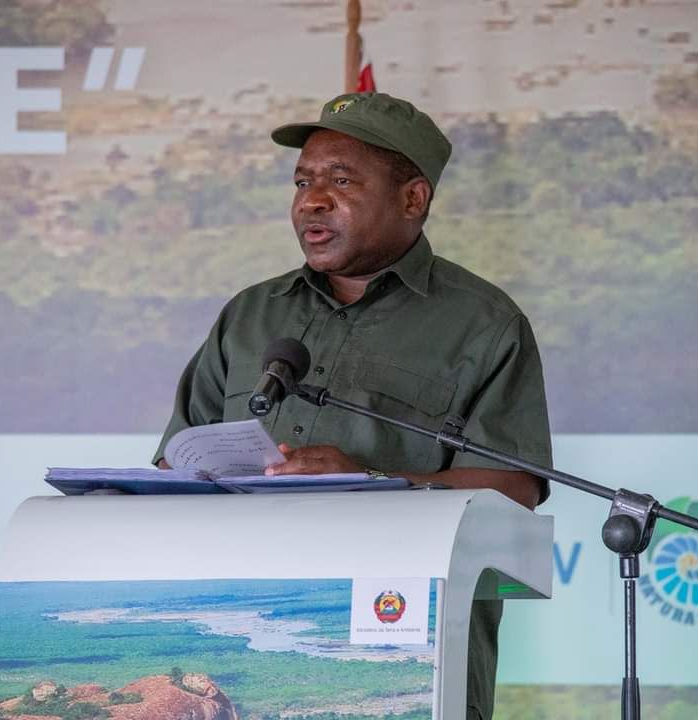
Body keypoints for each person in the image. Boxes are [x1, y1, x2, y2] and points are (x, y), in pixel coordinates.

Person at [154, 92, 552, 720]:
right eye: (304, 181)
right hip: (240, 624)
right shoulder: (251, 314)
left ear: (412, 199)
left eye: (341, 181)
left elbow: (514, 486)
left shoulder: (483, 323)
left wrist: (370, 481)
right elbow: (176, 460)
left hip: (399, 636)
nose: (312, 200)